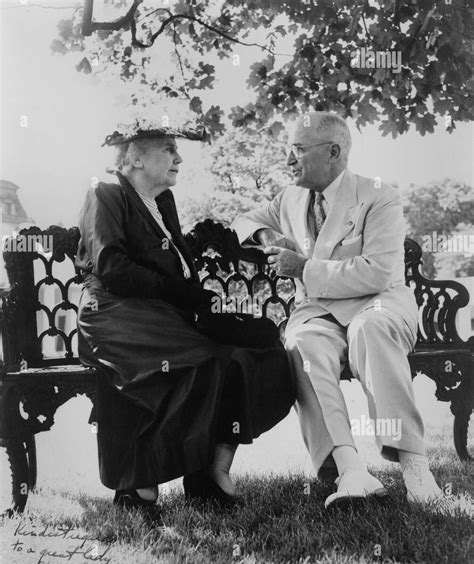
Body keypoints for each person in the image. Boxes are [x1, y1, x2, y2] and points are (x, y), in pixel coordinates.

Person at [75, 122, 294, 517]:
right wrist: (183, 295)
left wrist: (200, 303)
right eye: (168, 148)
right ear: (135, 157)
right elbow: (111, 267)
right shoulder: (104, 192)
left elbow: (179, 269)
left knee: (251, 353)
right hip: (113, 313)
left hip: (160, 313)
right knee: (203, 358)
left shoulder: (164, 202)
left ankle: (209, 474)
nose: (179, 157)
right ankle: (138, 486)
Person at [232, 111, 443, 509]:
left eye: (297, 150)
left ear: (333, 152)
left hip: (377, 303)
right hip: (317, 313)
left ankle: (415, 467)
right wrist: (268, 233)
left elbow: (377, 272)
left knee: (371, 330)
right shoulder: (290, 198)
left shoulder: (379, 195)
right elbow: (242, 220)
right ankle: (350, 470)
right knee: (299, 344)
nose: (289, 160)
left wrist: (304, 268)